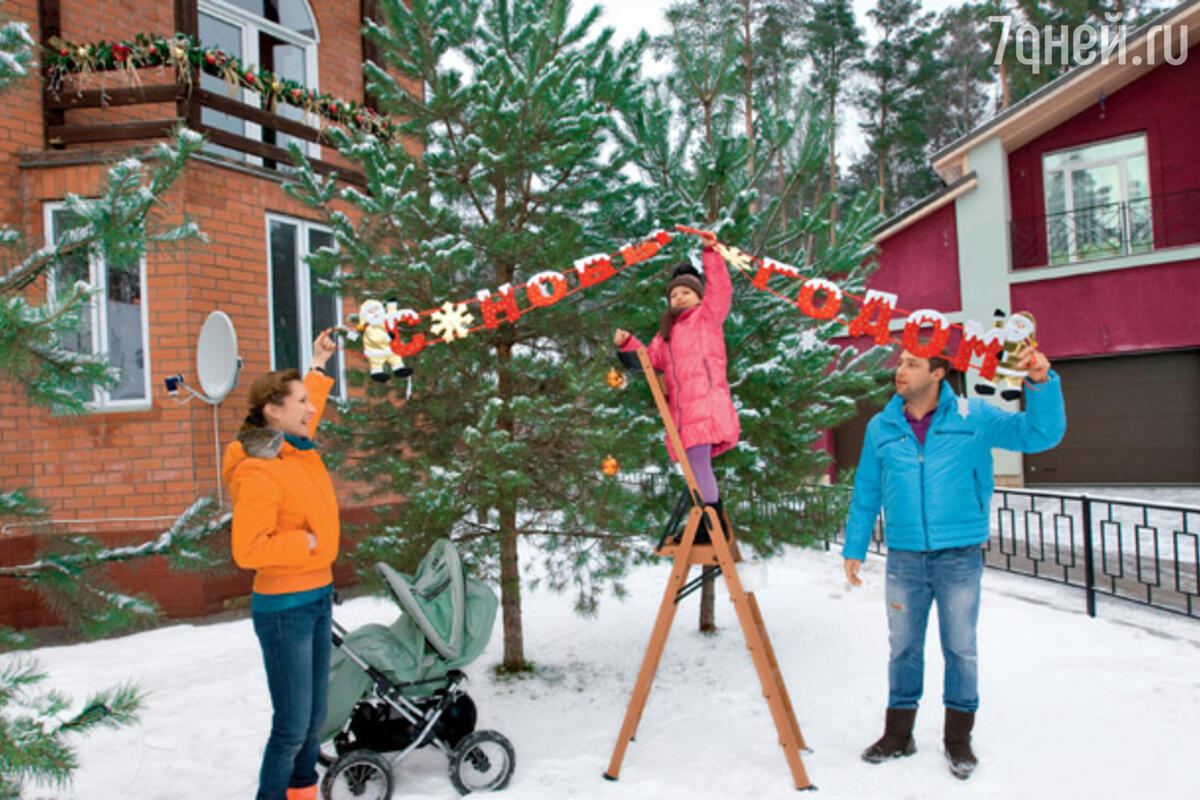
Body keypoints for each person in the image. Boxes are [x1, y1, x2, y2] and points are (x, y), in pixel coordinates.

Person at [842, 346, 1065, 780]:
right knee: (903, 647)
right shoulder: (881, 425)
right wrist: (854, 547)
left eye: (911, 364)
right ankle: (898, 734)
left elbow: (1039, 433)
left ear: (939, 372)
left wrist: (1040, 381)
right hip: (905, 556)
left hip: (958, 554)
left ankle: (958, 740)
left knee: (960, 648)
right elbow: (867, 489)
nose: (899, 371)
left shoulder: (973, 416)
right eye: (900, 362)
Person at [224, 330, 340, 800]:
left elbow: (309, 406)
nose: (309, 411)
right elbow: (248, 550)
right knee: (291, 728)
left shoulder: (290, 445)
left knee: (313, 724)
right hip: (284, 608)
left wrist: (317, 364)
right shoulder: (258, 468)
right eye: (299, 404)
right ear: (273, 411)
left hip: (317, 597)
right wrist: (305, 540)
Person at [613, 230, 739, 538]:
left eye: (685, 292)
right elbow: (650, 359)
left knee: (697, 463)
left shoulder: (706, 318)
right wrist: (628, 342)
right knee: (693, 467)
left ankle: (711, 524)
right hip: (684, 413)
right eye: (673, 295)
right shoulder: (666, 334)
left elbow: (720, 289)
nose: (678, 298)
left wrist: (711, 254)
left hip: (706, 404)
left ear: (698, 295)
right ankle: (709, 522)